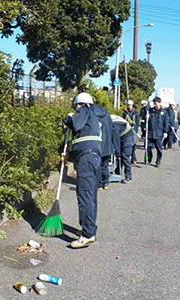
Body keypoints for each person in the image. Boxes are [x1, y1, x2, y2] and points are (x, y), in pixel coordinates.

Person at [64, 92, 101, 248]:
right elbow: (84, 140)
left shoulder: (84, 110)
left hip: (87, 160)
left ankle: (87, 235)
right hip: (93, 158)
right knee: (90, 197)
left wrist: (69, 118)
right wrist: (70, 155)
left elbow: (76, 125)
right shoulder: (94, 116)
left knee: (85, 197)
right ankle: (90, 230)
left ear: (79, 104)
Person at [92, 102, 114, 191]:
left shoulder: (92, 114)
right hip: (107, 143)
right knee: (104, 165)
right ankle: (106, 182)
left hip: (98, 143)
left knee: (98, 165)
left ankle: (99, 184)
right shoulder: (106, 113)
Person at [110, 114, 134, 184]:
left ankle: (128, 177)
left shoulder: (115, 126)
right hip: (122, 134)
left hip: (128, 136)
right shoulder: (111, 119)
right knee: (121, 155)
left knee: (125, 156)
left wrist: (117, 153)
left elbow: (116, 140)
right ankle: (118, 171)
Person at [147, 97, 170, 167]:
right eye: (154, 104)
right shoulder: (150, 111)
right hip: (151, 132)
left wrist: (165, 131)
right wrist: (146, 118)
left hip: (159, 133)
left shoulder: (164, 112)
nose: (155, 105)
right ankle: (149, 158)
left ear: (160, 103)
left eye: (156, 103)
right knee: (148, 147)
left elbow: (166, 122)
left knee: (159, 149)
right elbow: (145, 121)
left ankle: (158, 161)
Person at [122, 100, 140, 164]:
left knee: (134, 144)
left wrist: (136, 129)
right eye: (128, 105)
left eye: (130, 105)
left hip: (134, 129)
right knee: (129, 144)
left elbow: (137, 122)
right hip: (127, 130)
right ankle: (131, 158)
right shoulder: (125, 113)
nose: (129, 106)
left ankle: (133, 158)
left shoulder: (135, 112)